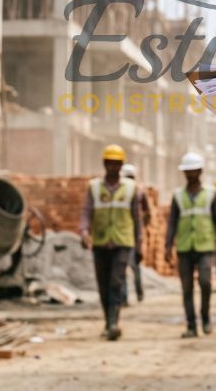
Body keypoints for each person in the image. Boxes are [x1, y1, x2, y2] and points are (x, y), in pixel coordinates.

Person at [78, 144, 141, 341]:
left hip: (123, 242)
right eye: (110, 163)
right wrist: (84, 231)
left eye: (116, 164)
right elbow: (87, 211)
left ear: (121, 165)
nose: (113, 167)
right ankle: (108, 321)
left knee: (116, 282)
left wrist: (140, 244)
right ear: (104, 164)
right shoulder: (94, 187)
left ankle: (114, 322)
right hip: (101, 242)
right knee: (103, 284)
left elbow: (136, 218)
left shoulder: (131, 188)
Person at [165, 151, 216, 338]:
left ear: (200, 171)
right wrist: (168, 245)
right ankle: (191, 325)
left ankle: (205, 318)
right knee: (186, 288)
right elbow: (172, 222)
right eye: (187, 171)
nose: (190, 175)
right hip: (184, 247)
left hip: (205, 247)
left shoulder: (211, 194)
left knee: (205, 283)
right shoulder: (178, 196)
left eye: (194, 171)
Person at [118, 163, 150, 305]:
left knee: (129, 265)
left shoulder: (134, 190)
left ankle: (130, 295)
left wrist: (141, 225)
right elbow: (147, 212)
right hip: (125, 233)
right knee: (131, 266)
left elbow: (146, 211)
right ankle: (136, 294)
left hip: (129, 233)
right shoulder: (137, 189)